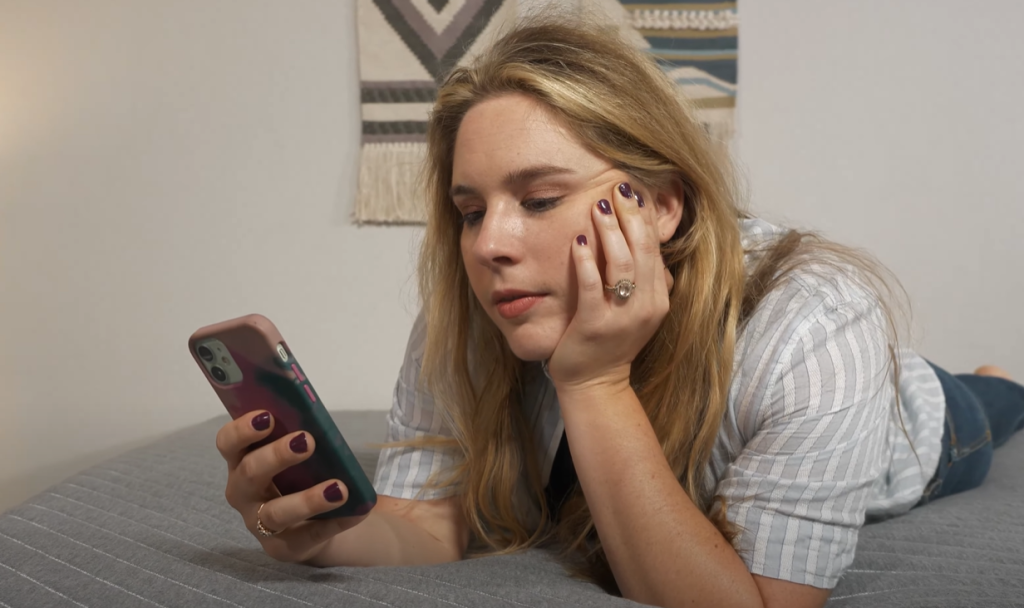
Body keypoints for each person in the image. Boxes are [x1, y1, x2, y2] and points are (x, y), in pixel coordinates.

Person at [213, 16, 1024, 608]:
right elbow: (428, 522)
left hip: (922, 425)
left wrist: (595, 381)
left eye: (538, 198)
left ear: (661, 205)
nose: (490, 244)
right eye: (469, 210)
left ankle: (996, 380)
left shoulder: (816, 325)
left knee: (989, 406)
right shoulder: (472, 311)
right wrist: (323, 534)